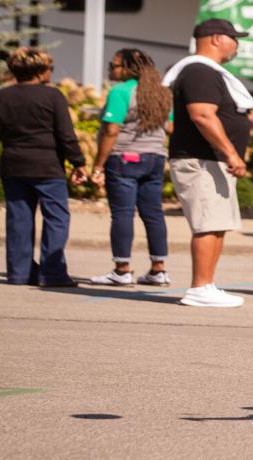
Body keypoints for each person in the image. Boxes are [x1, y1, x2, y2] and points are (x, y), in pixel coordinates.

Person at [162, 18, 253, 307]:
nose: (236, 44)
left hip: (211, 160)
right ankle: (199, 288)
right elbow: (202, 114)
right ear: (216, 38)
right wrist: (231, 153)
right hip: (201, 160)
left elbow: (215, 114)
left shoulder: (206, 71)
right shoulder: (199, 70)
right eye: (234, 38)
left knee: (216, 224)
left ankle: (208, 284)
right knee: (207, 224)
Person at [0, 46, 84, 287]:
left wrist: (8, 135)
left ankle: (19, 273)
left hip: (13, 164)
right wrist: (78, 162)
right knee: (56, 218)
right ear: (40, 71)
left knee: (19, 219)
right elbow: (65, 134)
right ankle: (52, 273)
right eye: (50, 68)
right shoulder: (53, 96)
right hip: (47, 166)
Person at [83, 48, 172, 286]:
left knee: (122, 214)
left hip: (124, 158)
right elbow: (171, 128)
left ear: (128, 68)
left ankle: (122, 270)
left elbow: (112, 130)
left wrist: (98, 166)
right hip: (155, 158)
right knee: (153, 214)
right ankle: (158, 269)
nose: (110, 69)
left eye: (114, 65)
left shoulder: (120, 91)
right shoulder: (161, 93)